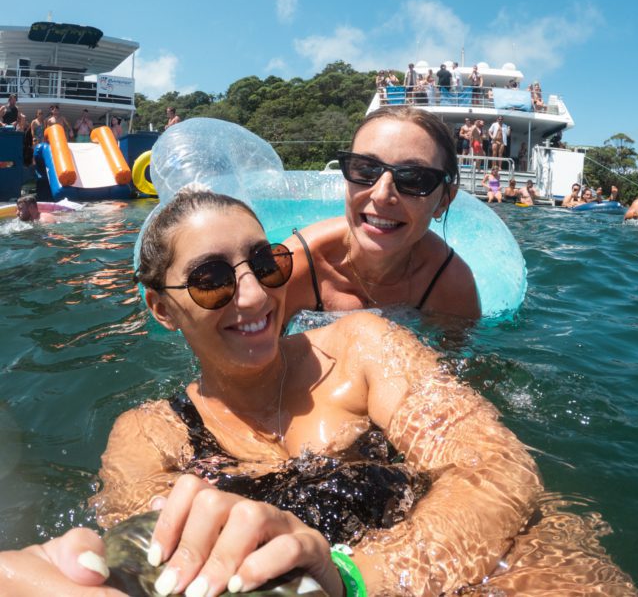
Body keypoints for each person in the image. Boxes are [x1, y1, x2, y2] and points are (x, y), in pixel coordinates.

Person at [86, 186, 539, 596]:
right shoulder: (151, 436)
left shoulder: (361, 349)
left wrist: (351, 576)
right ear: (162, 308)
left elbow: (499, 470)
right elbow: (148, 563)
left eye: (265, 264)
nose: (255, 297)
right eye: (211, 280)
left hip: (478, 567)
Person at [283, 106, 481, 321]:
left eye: (413, 178)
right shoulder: (294, 267)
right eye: (365, 169)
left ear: (444, 201)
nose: (381, 195)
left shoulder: (450, 284)